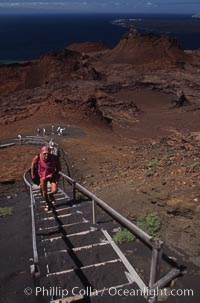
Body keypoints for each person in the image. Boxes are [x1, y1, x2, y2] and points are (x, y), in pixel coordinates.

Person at [31, 146, 61, 211]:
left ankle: (50, 195)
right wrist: (32, 174)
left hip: (52, 174)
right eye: (45, 153)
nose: (47, 155)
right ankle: (48, 203)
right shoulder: (38, 157)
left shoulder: (54, 157)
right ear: (42, 153)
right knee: (44, 192)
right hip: (43, 175)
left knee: (55, 190)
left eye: (48, 153)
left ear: (50, 152)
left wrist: (58, 175)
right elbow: (33, 164)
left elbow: (59, 166)